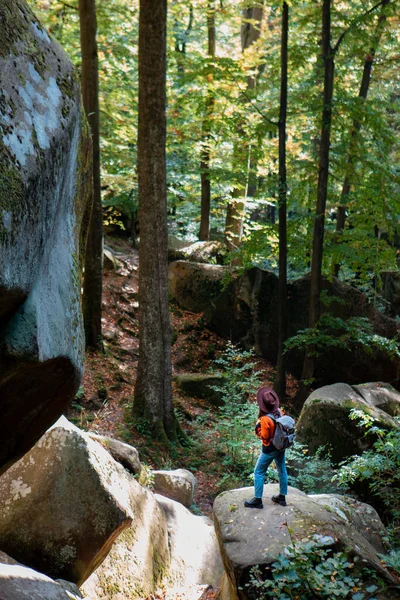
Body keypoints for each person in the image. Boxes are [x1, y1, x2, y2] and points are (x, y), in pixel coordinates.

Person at [244, 386, 288, 509]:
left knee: (258, 471)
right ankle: (282, 497)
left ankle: (258, 500)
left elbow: (264, 436)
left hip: (269, 449)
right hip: (281, 446)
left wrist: (258, 429)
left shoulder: (265, 419)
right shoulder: (279, 412)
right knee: (282, 469)